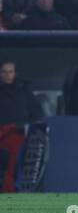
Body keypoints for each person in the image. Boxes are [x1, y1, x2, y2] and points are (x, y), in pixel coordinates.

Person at [0, 61, 43, 192]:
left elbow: (37, 112)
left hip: (22, 135)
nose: (8, 75)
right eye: (4, 72)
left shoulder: (24, 89)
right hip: (2, 135)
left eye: (10, 71)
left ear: (15, 73)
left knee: (20, 167)